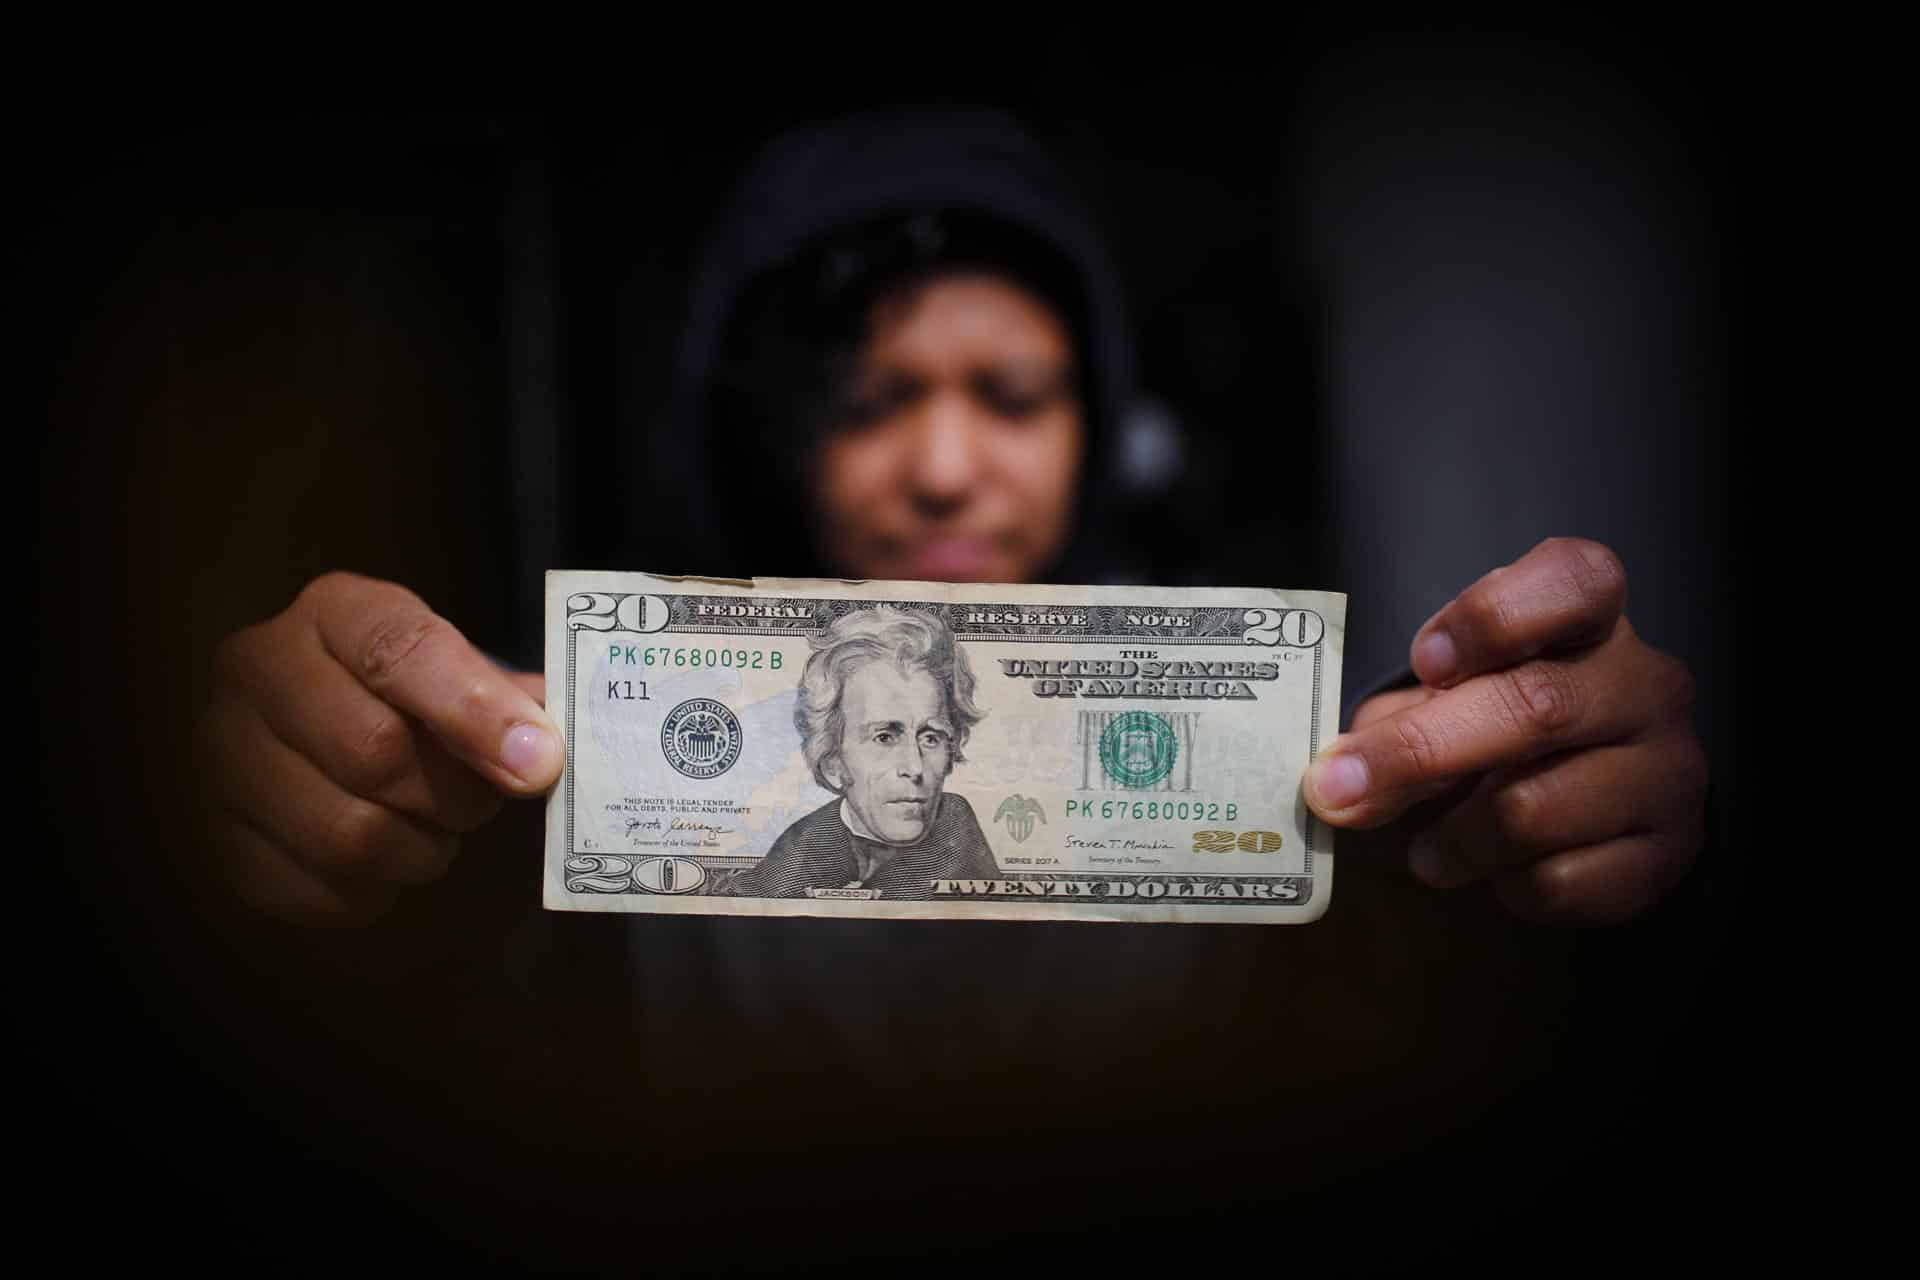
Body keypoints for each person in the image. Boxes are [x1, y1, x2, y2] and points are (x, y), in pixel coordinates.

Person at [195, 108, 1703, 930]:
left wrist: (1544, 837)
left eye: (1014, 393)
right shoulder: (529, 770)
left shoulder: (1327, 773)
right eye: (867, 402)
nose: (943, 467)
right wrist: (271, 815)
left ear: (1098, 426)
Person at [712, 606, 1000, 899]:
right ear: (832, 762)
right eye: (884, 737)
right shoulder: (792, 861)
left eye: (931, 738)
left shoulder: (959, 842)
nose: (914, 767)